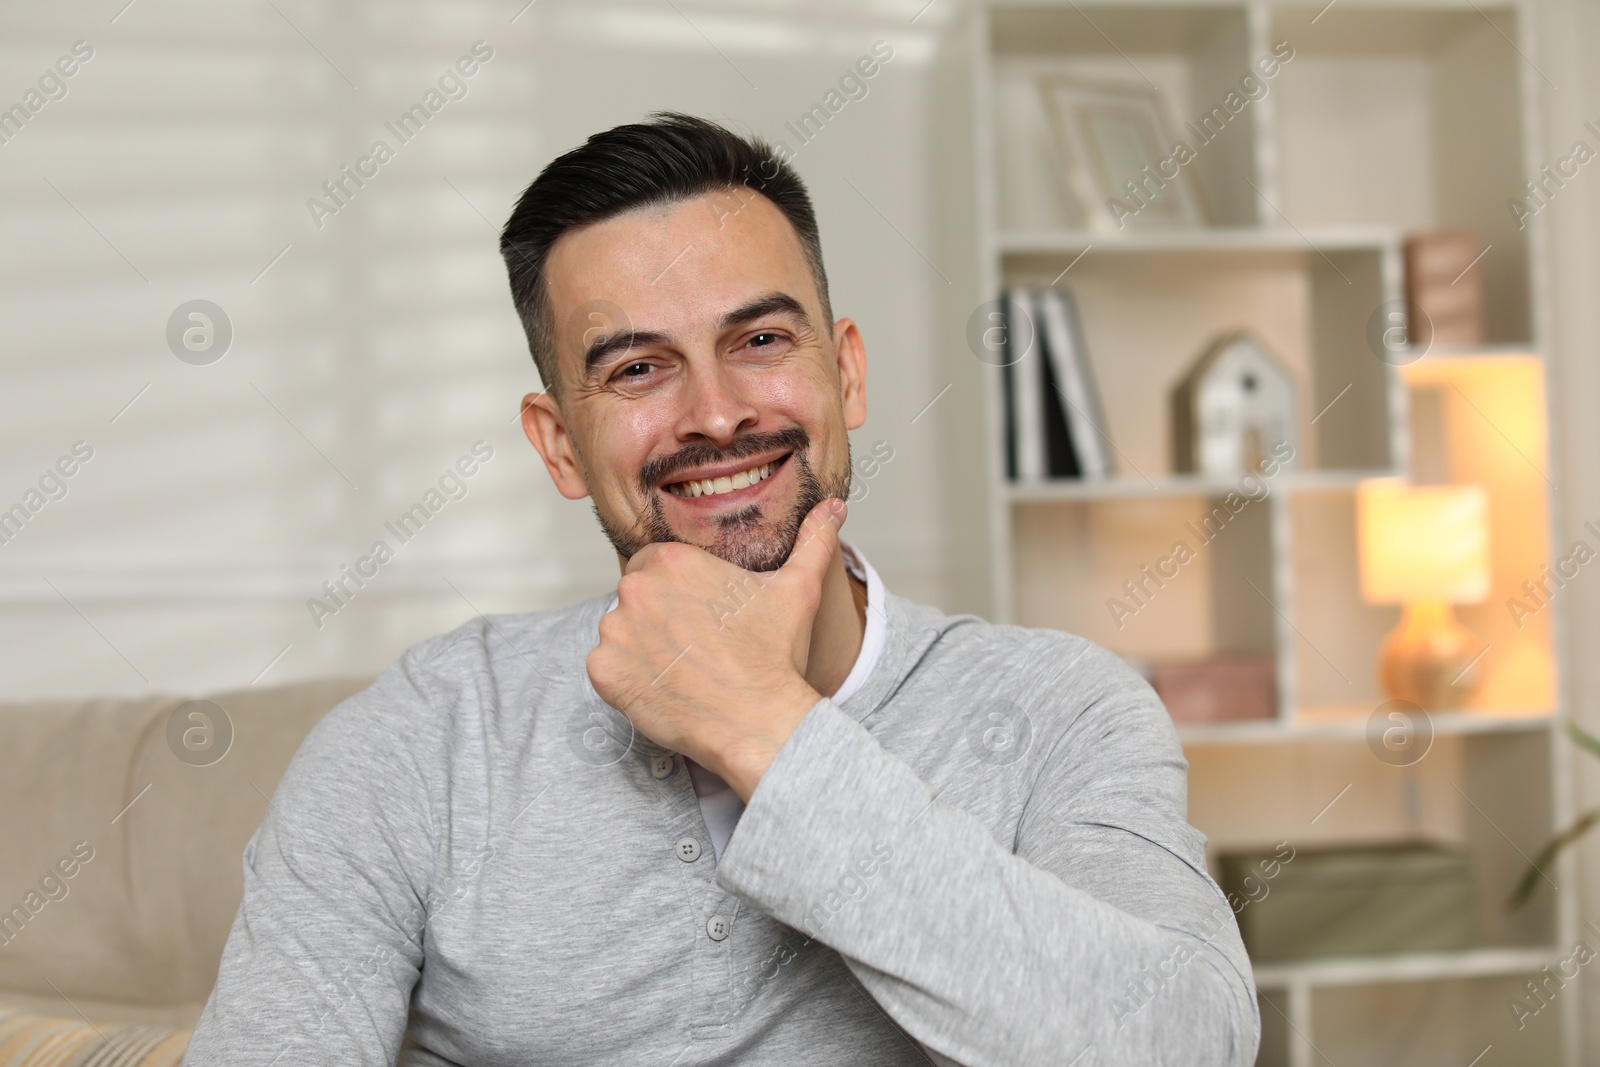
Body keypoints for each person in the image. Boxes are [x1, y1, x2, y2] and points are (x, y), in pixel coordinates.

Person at [184, 112, 1258, 1066]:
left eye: (758, 339)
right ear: (559, 445)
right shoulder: (419, 741)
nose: (715, 412)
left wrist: (761, 723)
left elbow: (1181, 1043)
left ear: (846, 374)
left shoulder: (1059, 707)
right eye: (638, 368)